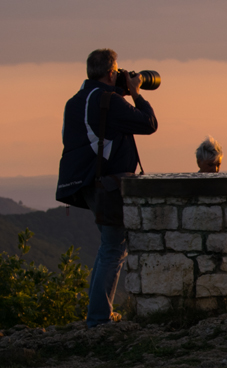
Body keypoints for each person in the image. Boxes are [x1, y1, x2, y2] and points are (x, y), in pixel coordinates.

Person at [56, 48, 158, 327]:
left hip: (86, 183)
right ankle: (99, 319)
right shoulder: (108, 100)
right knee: (114, 248)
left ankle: (96, 313)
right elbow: (149, 124)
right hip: (109, 185)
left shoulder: (75, 101)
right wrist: (136, 93)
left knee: (107, 247)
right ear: (112, 72)